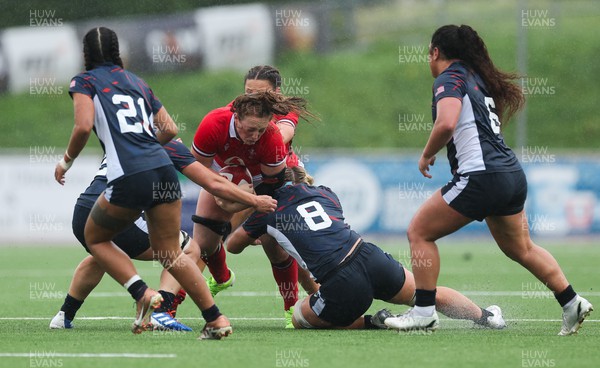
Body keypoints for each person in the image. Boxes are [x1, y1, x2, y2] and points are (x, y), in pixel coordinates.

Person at [384, 24, 593, 335]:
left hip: (482, 177)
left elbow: (446, 123)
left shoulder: (450, 78)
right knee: (521, 248)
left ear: (436, 52)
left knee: (419, 232)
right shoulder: (476, 79)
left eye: (429, 52)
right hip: (510, 174)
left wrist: (427, 153)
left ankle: (424, 311)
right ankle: (570, 301)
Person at [54, 26, 236, 339]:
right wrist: (145, 143)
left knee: (95, 239)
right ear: (118, 52)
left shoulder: (84, 81)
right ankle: (216, 319)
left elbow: (83, 127)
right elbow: (169, 127)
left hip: (129, 176)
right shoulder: (137, 81)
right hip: (163, 173)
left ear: (84, 55)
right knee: (172, 253)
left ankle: (144, 294)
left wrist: (65, 161)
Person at [225, 166, 506, 330]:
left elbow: (233, 246)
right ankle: (487, 317)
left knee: (299, 317)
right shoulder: (325, 192)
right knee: (425, 293)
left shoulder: (268, 210)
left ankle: (376, 321)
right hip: (369, 255)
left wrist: (250, 205)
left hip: (341, 281)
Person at [50, 139, 276, 332]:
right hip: (115, 211)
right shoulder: (167, 144)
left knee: (102, 256)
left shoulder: (118, 140)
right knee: (188, 249)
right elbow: (212, 182)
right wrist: (254, 200)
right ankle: (161, 310)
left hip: (82, 211)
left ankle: (63, 316)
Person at [190, 91, 315, 328]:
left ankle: (294, 308)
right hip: (227, 181)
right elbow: (196, 170)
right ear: (236, 116)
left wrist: (242, 207)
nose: (254, 136)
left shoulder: (273, 135)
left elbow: (272, 187)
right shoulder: (214, 123)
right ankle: (172, 306)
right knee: (203, 243)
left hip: (269, 183)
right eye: (250, 130)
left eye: (260, 129)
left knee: (275, 244)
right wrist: (226, 194)